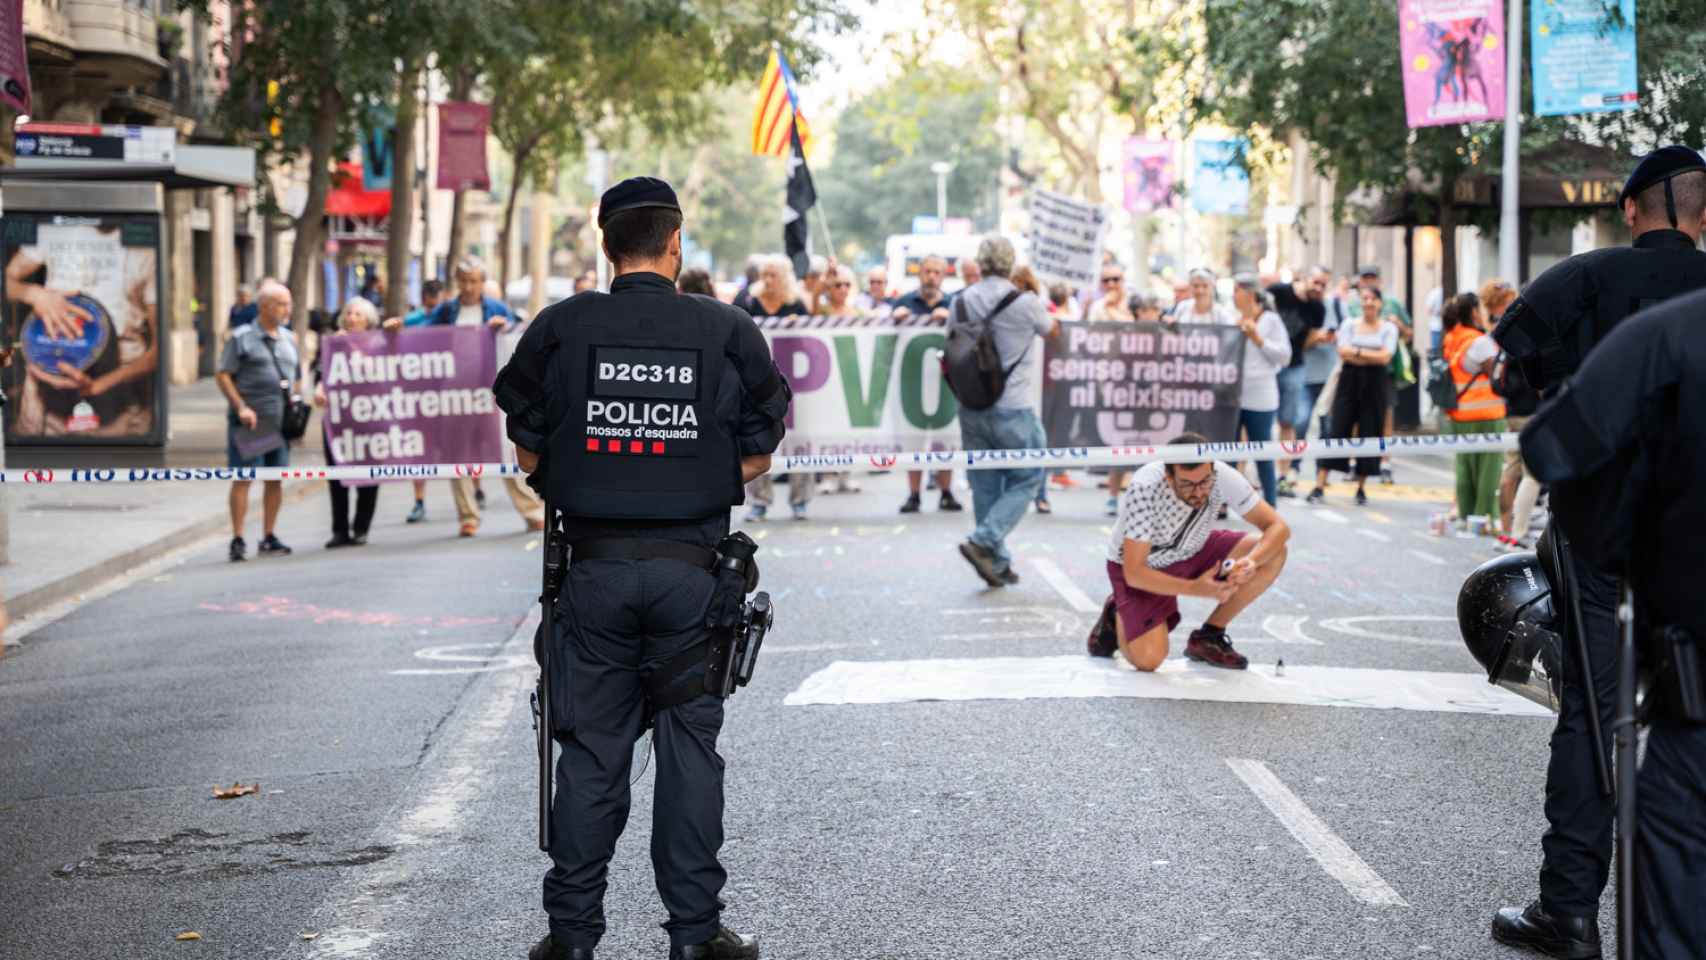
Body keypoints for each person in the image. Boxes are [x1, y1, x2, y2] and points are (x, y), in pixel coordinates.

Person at [495, 175, 786, 960]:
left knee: (591, 753)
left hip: (592, 571)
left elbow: (526, 448)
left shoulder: (560, 328)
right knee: (690, 750)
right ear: (675, 243)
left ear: (605, 246)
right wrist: (696, 479)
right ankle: (695, 938)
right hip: (696, 574)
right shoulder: (728, 332)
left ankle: (572, 938)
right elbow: (760, 449)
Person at [1487, 145, 1706, 959]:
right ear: (1704, 212)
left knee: (1595, 708)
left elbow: (1517, 383)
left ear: (1630, 208)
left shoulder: (1587, 278)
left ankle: (1570, 910)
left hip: (1602, 531)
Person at [1087, 432, 1290, 671]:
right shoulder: (1145, 486)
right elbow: (1134, 572)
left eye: (1204, 482)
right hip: (1143, 565)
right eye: (1187, 484)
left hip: (1193, 546)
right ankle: (1115, 614)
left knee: (1274, 551)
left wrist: (1250, 563)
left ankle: (1209, 636)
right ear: (1169, 477)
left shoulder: (1222, 474)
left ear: (1212, 471)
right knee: (1148, 660)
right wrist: (1195, 589)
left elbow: (1278, 527)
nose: (1198, 491)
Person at [952, 238, 1059, 587]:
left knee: (984, 483)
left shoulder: (962, 300)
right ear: (1011, 264)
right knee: (1030, 475)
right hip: (1013, 406)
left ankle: (996, 560)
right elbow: (1052, 331)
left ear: (980, 265)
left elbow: (953, 342)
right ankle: (985, 541)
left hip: (972, 405)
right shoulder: (1025, 302)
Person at [215, 280, 308, 562]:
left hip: (281, 422)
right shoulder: (242, 337)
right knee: (245, 477)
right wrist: (241, 406)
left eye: (288, 304)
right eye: (282, 304)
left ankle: (269, 535)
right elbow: (223, 374)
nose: (287, 309)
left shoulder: (289, 338)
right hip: (253, 422)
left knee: (275, 479)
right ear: (264, 307)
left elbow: (297, 375)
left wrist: (296, 401)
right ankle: (238, 537)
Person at [1307, 286, 1397, 507]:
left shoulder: (1388, 328)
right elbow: (1343, 352)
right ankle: (1320, 484)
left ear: (1380, 303)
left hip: (1375, 384)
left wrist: (1356, 352)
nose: (1368, 302)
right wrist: (1368, 355)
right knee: (1337, 429)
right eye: (1365, 298)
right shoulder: (1349, 324)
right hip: (1349, 382)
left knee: (1370, 430)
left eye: (1373, 298)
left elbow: (1385, 357)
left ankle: (1361, 487)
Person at [890, 254, 960, 512]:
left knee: (946, 439)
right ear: (920, 273)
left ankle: (946, 492)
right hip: (911, 382)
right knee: (914, 440)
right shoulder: (904, 302)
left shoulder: (953, 303)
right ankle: (914, 494)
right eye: (927, 271)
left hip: (945, 382)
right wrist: (894, 319)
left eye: (937, 272)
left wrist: (951, 316)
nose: (931, 276)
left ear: (943, 276)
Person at [313, 298, 382, 548]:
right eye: (349, 313)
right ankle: (339, 530)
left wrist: (352, 347)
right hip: (338, 420)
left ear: (368, 320)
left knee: (370, 474)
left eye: (358, 314)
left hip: (368, 418)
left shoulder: (376, 344)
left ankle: (361, 527)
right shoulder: (332, 343)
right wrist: (319, 390)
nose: (352, 318)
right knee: (337, 474)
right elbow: (322, 374)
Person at [1439, 292, 1507, 530]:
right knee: (1490, 468)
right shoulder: (1479, 341)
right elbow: (1496, 376)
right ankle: (1484, 518)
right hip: (1487, 413)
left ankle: (1466, 516)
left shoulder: (1452, 339)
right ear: (1473, 312)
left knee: (1465, 466)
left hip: (1460, 413)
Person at [1478, 279, 1538, 549]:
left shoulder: (1498, 330)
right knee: (1533, 473)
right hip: (1528, 409)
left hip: (1510, 408)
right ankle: (1518, 532)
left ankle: (1505, 531)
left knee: (1510, 469)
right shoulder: (1520, 328)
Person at [1229, 274, 1293, 506]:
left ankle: (1271, 502)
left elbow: (1285, 356)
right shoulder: (1232, 319)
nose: (1233, 296)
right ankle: (1225, 502)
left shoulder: (1271, 321)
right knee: (1229, 452)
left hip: (1261, 397)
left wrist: (1258, 339)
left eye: (1236, 291)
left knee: (1262, 450)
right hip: (1233, 396)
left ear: (1249, 294)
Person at [1268, 267, 1329, 494]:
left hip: (1293, 366)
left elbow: (1310, 338)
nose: (1319, 288)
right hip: (1265, 366)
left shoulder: (1317, 308)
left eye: (1324, 285)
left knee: (1288, 421)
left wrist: (1292, 350)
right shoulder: (1278, 292)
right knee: (1257, 421)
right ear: (1304, 278)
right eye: (1316, 282)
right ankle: (1247, 475)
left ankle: (1283, 476)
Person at [741, 255, 809, 318]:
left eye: (773, 275)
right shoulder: (748, 298)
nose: (768, 280)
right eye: (765, 274)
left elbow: (806, 326)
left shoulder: (795, 302)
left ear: (785, 278)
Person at [1169, 268, 1237, 326]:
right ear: (1190, 288)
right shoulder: (1183, 308)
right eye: (1196, 286)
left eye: (1205, 286)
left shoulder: (1221, 313)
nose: (1200, 291)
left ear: (1212, 287)